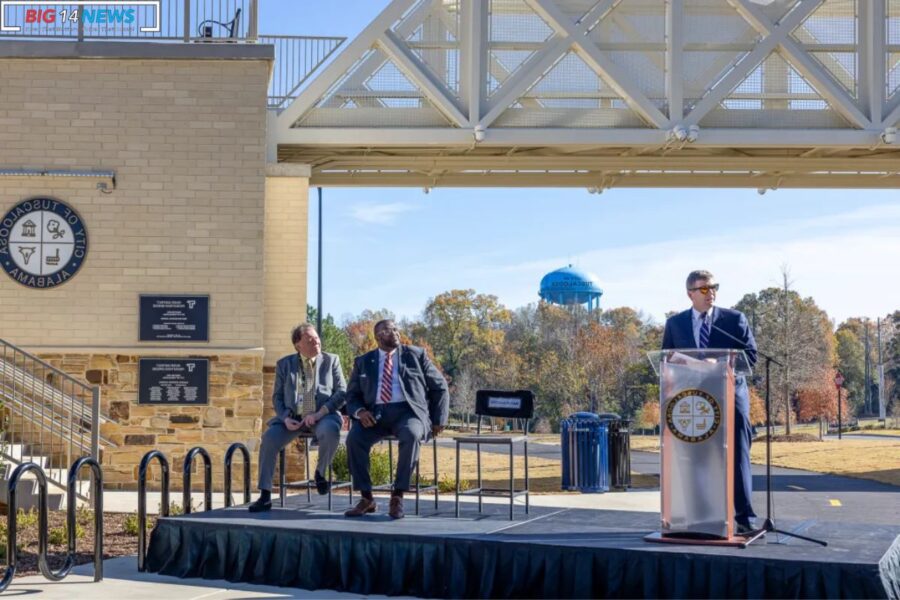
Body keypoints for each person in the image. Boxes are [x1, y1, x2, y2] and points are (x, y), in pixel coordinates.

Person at [661, 270, 758, 534]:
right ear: (690, 293)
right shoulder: (676, 324)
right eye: (703, 289)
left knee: (737, 456)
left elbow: (751, 356)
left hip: (730, 394)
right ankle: (701, 516)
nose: (710, 292)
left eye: (714, 287)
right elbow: (666, 358)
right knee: (697, 458)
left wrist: (722, 362)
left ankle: (744, 518)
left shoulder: (733, 319)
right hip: (693, 400)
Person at [343, 319, 449, 519]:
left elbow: (440, 386)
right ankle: (367, 498)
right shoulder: (363, 361)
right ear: (378, 337)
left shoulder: (416, 355)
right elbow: (352, 396)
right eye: (388, 330)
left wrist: (438, 419)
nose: (395, 332)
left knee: (410, 435)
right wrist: (360, 412)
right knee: (354, 439)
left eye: (396, 328)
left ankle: (397, 496)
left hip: (408, 413)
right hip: (375, 414)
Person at [248, 323, 346, 512]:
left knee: (331, 431)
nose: (316, 341)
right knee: (268, 439)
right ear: (298, 345)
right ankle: (265, 495)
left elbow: (342, 392)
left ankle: (320, 472)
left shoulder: (331, 360)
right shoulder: (284, 364)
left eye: (317, 337)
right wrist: (285, 417)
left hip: (323, 416)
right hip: (293, 419)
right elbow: (276, 397)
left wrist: (320, 413)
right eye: (310, 340)